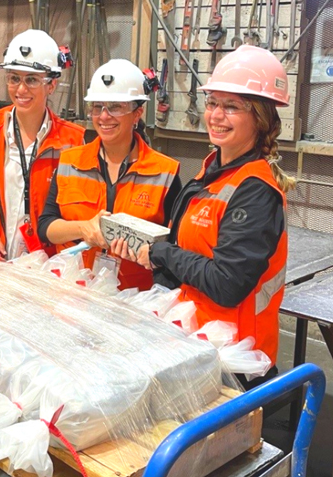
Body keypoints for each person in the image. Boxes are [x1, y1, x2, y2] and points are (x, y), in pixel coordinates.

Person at [111, 46, 296, 387]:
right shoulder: (210, 175)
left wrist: (161, 253)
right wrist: (148, 252)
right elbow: (186, 252)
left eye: (231, 107)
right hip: (194, 342)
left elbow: (227, 285)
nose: (215, 115)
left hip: (234, 360)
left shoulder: (255, 192)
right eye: (212, 103)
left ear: (260, 118)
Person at [38, 59, 181, 290]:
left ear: (137, 114)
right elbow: (46, 227)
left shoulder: (164, 172)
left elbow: (174, 248)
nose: (104, 116)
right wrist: (83, 228)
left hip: (133, 299)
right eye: (97, 106)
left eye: (115, 107)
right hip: (73, 290)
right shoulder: (70, 162)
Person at [0, 29, 85, 262]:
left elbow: (75, 208)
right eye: (14, 78)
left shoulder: (72, 142)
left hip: (42, 263)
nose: (21, 89)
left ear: (51, 85)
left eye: (31, 79)